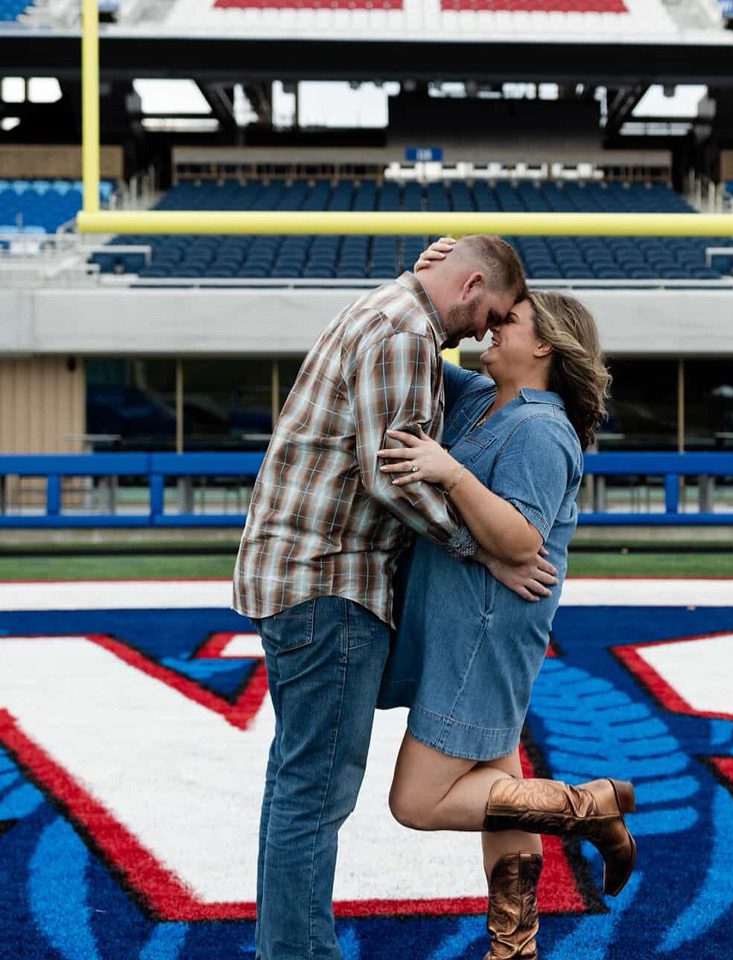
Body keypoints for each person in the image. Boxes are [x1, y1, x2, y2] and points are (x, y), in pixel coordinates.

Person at [233, 235, 542, 960]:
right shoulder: (406, 333)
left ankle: (284, 946)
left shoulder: (391, 310)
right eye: (490, 313)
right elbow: (392, 479)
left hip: (300, 577)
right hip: (332, 582)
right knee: (315, 792)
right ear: (469, 285)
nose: (486, 331)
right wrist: (479, 549)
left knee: (298, 783)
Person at [377, 242, 635, 960]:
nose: (491, 324)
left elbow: (522, 542)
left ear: (545, 343)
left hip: (484, 631)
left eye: (509, 319)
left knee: (418, 801)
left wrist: (449, 472)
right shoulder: (482, 402)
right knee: (497, 785)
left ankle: (587, 806)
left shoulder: (541, 429)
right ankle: (513, 945)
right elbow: (424, 342)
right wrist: (421, 272)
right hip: (473, 622)